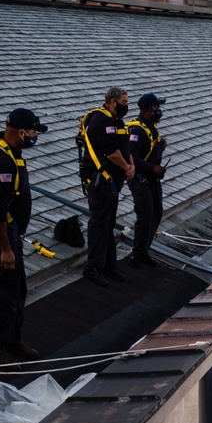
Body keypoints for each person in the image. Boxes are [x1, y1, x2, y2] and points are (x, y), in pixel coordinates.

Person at [0, 107, 44, 363]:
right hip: (1, 235)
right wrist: (5, 249)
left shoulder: (13, 153)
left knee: (18, 288)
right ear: (20, 131)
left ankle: (13, 337)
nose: (36, 135)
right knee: (7, 288)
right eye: (34, 131)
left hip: (11, 234)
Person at [80, 87, 134, 287]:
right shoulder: (102, 120)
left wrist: (131, 165)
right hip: (100, 180)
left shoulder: (117, 121)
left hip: (113, 182)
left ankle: (108, 264)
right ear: (112, 102)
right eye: (124, 103)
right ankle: (93, 266)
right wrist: (127, 168)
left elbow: (124, 147)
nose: (126, 107)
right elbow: (111, 151)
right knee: (99, 223)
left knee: (108, 223)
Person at [126, 93, 167, 267]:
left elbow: (147, 151)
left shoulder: (150, 127)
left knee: (156, 214)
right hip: (140, 180)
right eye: (157, 107)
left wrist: (160, 147)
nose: (159, 110)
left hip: (152, 181)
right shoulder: (137, 130)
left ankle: (143, 251)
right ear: (150, 109)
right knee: (145, 216)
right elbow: (131, 157)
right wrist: (153, 168)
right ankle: (137, 255)